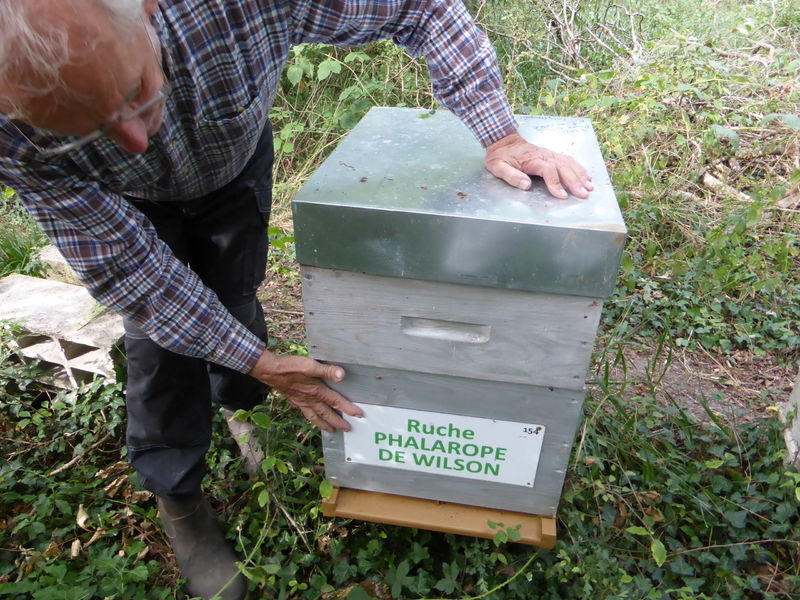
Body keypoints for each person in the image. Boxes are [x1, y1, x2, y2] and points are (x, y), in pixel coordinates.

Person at [0, 0, 593, 597]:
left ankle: (241, 405)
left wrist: (501, 133)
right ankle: (178, 496)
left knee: (234, 294)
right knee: (158, 343)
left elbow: (422, 10)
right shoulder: (7, 127)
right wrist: (259, 357)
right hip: (124, 206)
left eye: (136, 91)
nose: (134, 137)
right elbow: (136, 271)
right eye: (87, 128)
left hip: (232, 170)